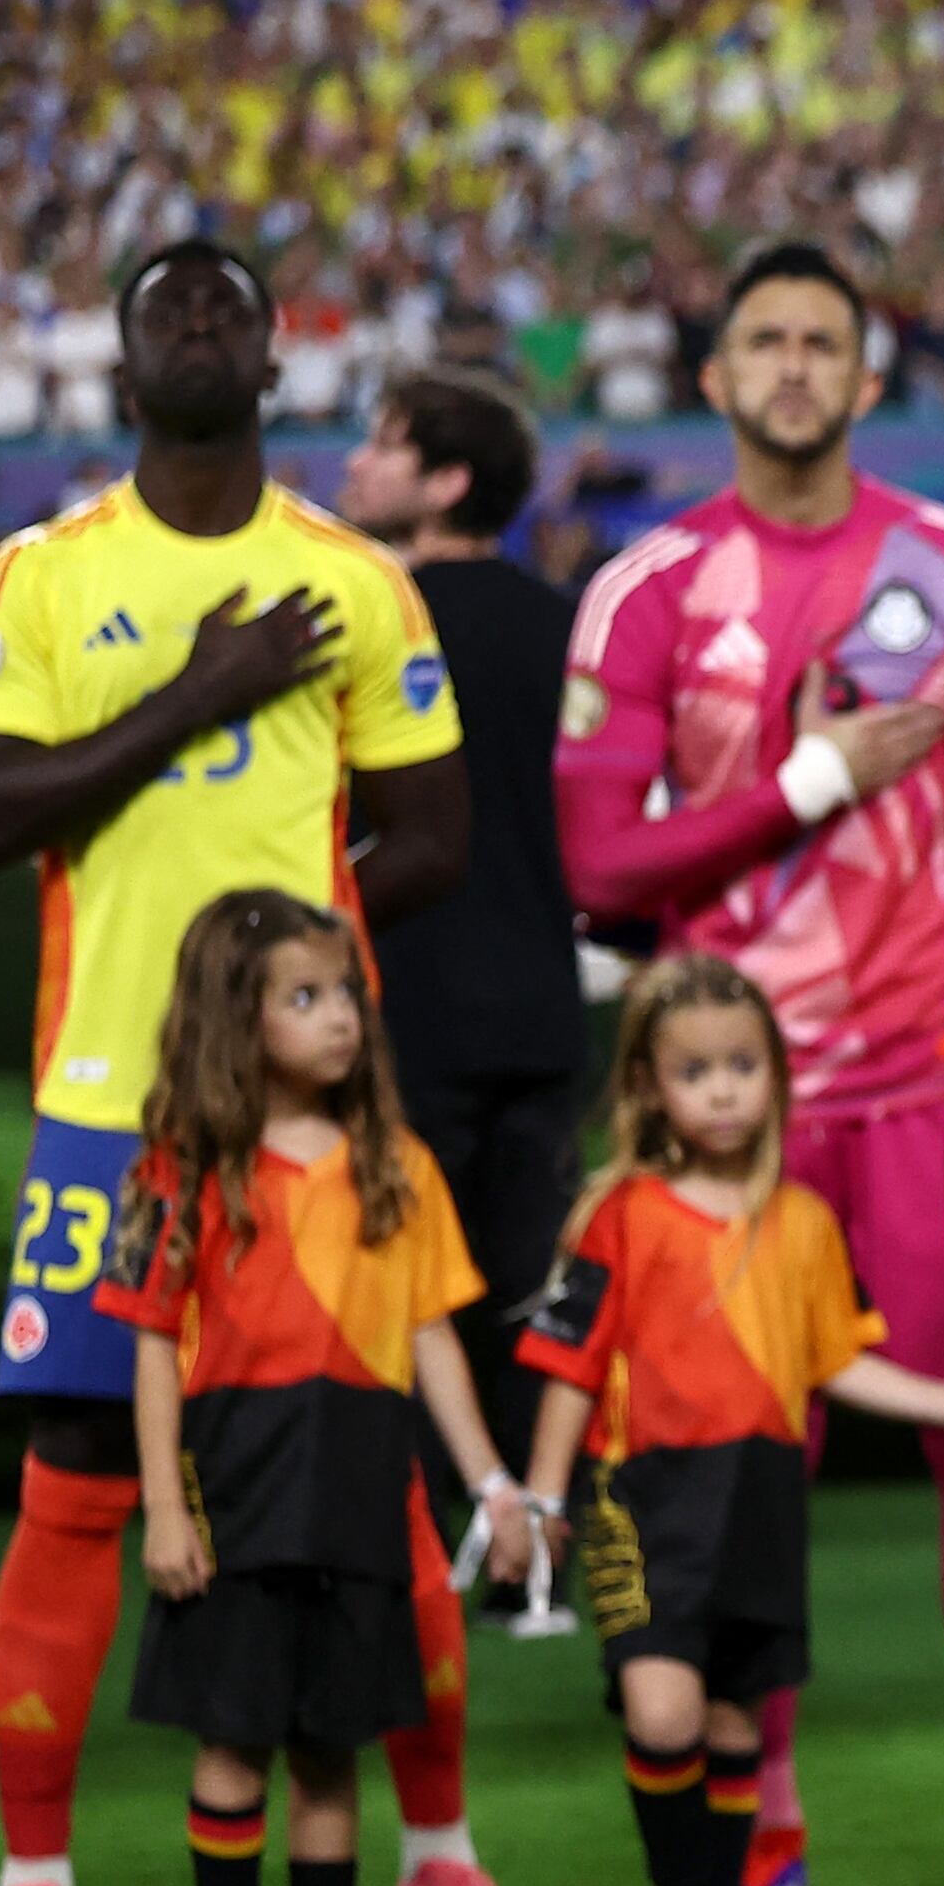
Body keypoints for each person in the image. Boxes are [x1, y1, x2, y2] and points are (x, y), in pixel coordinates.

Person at [0, 237, 537, 1886]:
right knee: (79, 1480)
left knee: (379, 1493)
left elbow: (431, 834)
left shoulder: (353, 579)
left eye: (230, 304)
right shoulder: (43, 572)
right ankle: (32, 1881)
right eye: (163, 304)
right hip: (104, 1106)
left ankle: (440, 1860)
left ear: (279, 359)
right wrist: (199, 691)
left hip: (306, 1126)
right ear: (123, 367)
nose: (198, 320)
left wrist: (291, 977)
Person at [554, 240, 944, 1886]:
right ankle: (760, 1812)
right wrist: (811, 786)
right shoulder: (647, 589)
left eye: (820, 341)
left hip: (923, 1090)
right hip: (727, 1121)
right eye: (760, 339)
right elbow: (605, 866)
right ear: (711, 379)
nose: (789, 365)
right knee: (736, 1460)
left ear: (865, 376)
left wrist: (887, 915)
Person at [110, 890, 537, 1886]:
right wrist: (162, 1506)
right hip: (236, 1494)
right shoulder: (181, 1171)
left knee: (332, 1744)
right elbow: (152, 1340)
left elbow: (433, 1337)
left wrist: (492, 1484)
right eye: (305, 998)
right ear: (232, 1022)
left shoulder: (395, 1167)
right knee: (235, 1741)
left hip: (354, 1495)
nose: (340, 1018)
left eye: (345, 993)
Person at [510, 955, 944, 1886]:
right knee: (662, 1711)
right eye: (694, 1071)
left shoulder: (802, 1222)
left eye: (741, 1067)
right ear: (647, 1089)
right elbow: (571, 1364)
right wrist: (541, 1495)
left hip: (760, 1497)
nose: (721, 1091)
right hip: (642, 1499)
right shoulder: (616, 1215)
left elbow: (836, 1361)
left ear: (774, 1076)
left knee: (729, 1726)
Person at [336, 367, 584, 1496]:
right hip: (540, 1003)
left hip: (412, 1006)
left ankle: (433, 1531)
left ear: (446, 481)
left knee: (410, 1289)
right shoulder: (566, 626)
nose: (353, 465)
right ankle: (541, 1532)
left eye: (382, 445)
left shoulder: (370, 624)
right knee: (537, 1291)